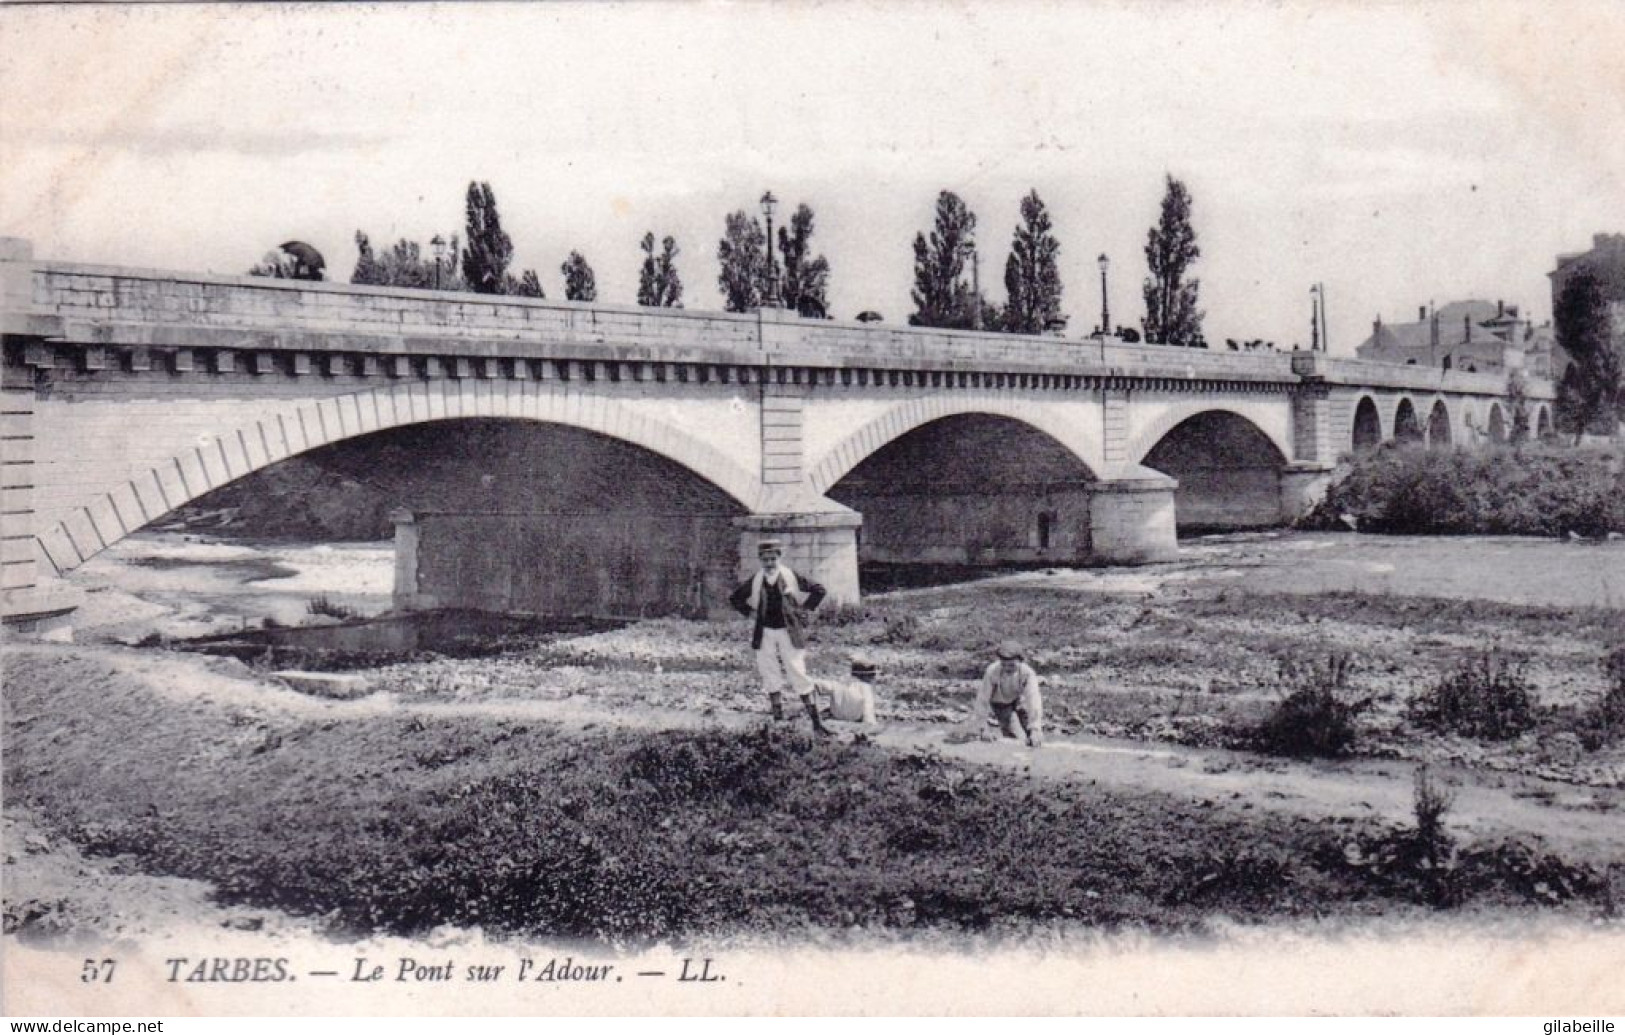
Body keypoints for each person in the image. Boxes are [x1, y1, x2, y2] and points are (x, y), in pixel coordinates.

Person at [729, 538, 829, 733]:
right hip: (765, 632)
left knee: (797, 672)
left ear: (779, 558)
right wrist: (751, 612)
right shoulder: (757, 579)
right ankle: (778, 722)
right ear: (760, 560)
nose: (769, 563)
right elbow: (735, 598)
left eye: (772, 559)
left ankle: (817, 723)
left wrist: (804, 611)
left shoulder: (790, 576)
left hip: (788, 631)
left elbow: (819, 590)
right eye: (765, 559)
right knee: (769, 673)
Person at [972, 640, 1043, 747]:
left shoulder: (1028, 673)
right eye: (1004, 665)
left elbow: (1034, 699)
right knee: (1017, 739)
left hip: (1019, 701)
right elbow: (982, 699)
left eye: (1011, 665)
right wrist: (983, 727)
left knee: (1034, 738)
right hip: (1001, 703)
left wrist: (1035, 728)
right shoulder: (992, 671)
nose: (1007, 669)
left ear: (1021, 661)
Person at [812, 653, 880, 727]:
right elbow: (868, 706)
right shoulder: (865, 687)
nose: (873, 678)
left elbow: (817, 685)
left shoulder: (839, 683)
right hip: (854, 717)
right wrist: (870, 723)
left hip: (837, 716)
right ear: (865, 676)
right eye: (872, 675)